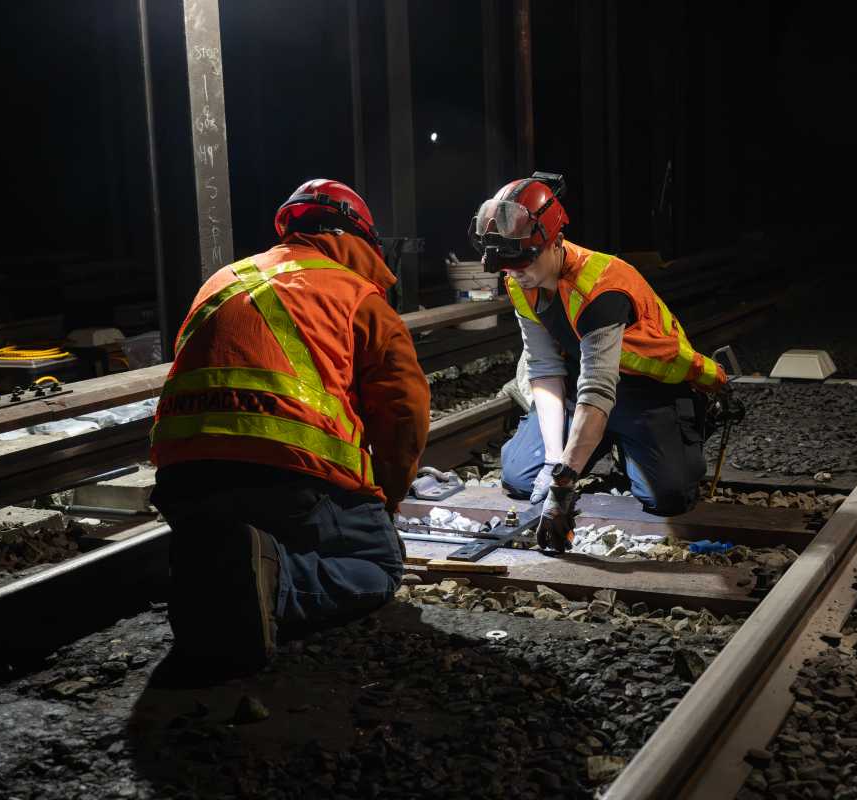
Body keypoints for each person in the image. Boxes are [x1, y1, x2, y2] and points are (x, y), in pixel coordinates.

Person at [149, 179, 430, 675]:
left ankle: (232, 557)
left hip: (181, 484)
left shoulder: (221, 282)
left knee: (241, 531)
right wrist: (386, 497)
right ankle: (271, 579)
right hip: (289, 483)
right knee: (379, 566)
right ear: (361, 240)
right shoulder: (359, 297)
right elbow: (404, 415)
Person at [469, 172, 731, 551]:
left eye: (524, 260)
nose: (515, 272)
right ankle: (591, 443)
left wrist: (562, 487)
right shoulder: (520, 280)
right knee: (521, 477)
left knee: (668, 497)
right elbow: (544, 368)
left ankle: (630, 444)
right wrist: (555, 462)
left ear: (556, 242)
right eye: (506, 265)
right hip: (585, 390)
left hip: (644, 393)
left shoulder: (601, 287)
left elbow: (598, 389)